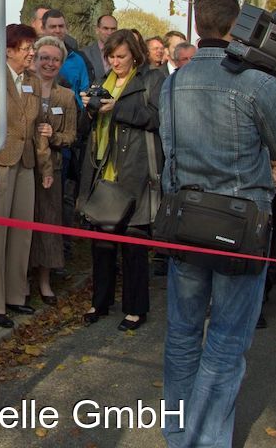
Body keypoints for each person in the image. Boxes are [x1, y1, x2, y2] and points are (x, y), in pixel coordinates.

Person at [160, 0, 276, 448]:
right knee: (225, 340)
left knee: (182, 334)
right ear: (239, 25)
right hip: (240, 225)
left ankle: (178, 434)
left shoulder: (174, 82)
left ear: (198, 23)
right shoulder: (258, 84)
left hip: (187, 219)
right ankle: (206, 439)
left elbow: (169, 155)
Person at [80, 29, 163, 331]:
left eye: (121, 57)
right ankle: (100, 301)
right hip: (103, 170)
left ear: (135, 56)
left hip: (135, 171)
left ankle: (136, 308)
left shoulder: (151, 80)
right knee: (102, 243)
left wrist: (117, 107)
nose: (115, 63)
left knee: (133, 244)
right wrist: (89, 109)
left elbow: (156, 118)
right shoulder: (103, 81)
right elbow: (86, 130)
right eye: (111, 57)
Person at [0, 24, 53, 328]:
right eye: (26, 48)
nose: (32, 53)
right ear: (8, 50)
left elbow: (38, 128)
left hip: (26, 164)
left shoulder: (32, 81)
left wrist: (45, 166)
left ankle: (15, 295)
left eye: (32, 48)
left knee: (22, 233)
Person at [29, 36, 78, 304]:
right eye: (44, 58)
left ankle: (45, 280)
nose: (49, 63)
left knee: (48, 222)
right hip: (25, 165)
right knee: (24, 221)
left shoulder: (66, 96)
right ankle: (21, 277)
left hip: (53, 169)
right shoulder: (24, 89)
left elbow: (71, 136)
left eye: (55, 59)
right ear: (35, 59)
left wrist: (54, 135)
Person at [85, 14, 117, 81]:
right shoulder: (85, 54)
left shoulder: (125, 53)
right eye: (105, 28)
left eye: (113, 29)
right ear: (97, 30)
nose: (109, 33)